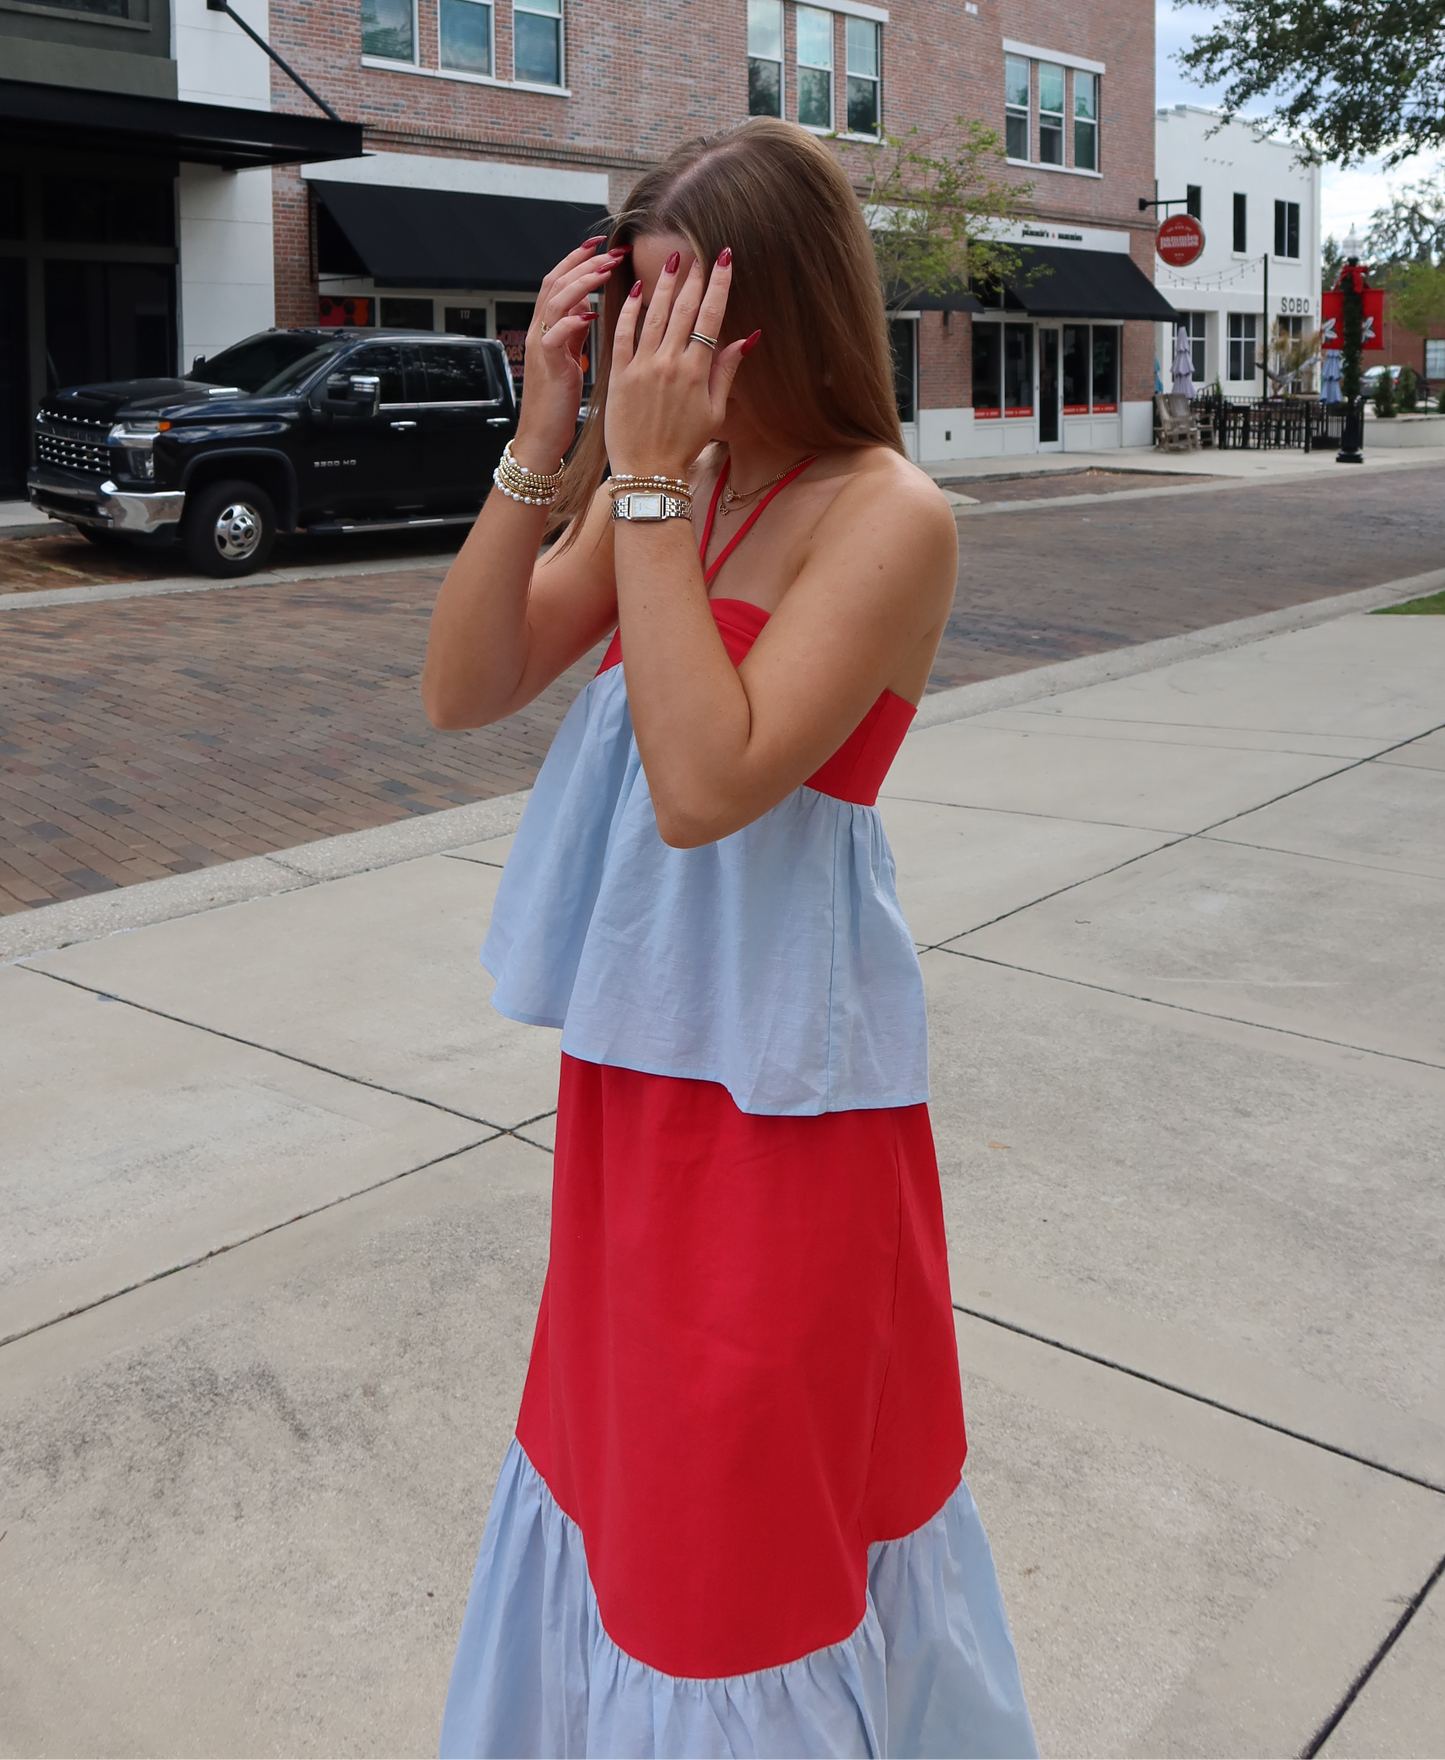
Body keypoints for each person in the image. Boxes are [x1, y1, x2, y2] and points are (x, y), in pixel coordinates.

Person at [423, 117, 1038, 1759]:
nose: (656, 338)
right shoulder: (669, 496)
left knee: (744, 1506)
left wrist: (633, 491)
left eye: (688, 302)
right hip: (640, 1063)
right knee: (633, 1473)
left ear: (779, 304)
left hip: (788, 1090)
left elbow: (708, 784)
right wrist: (545, 433)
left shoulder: (886, 513)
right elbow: (463, 687)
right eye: (642, 301)